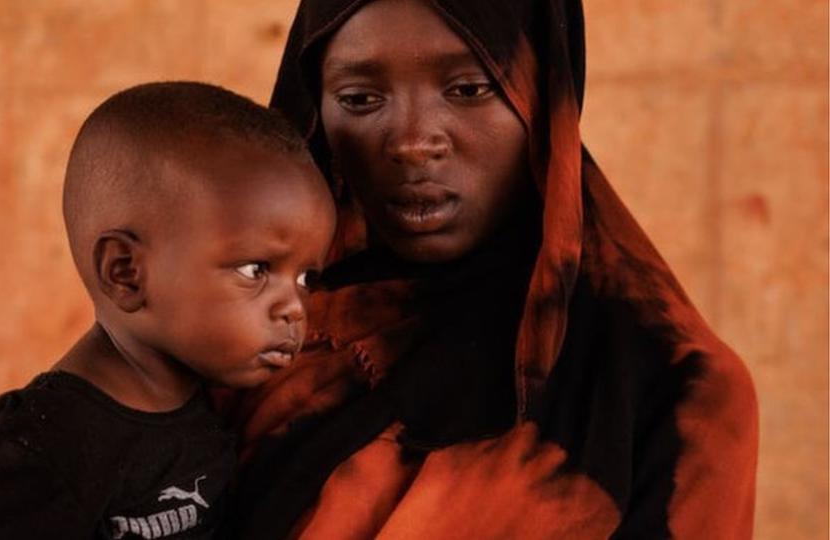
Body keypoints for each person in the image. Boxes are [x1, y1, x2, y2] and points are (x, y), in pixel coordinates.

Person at [226, 1, 758, 538]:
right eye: (360, 99)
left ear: (544, 97)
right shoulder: (244, 326)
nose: (412, 143)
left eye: (469, 89)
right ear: (313, 111)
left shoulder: (675, 388)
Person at [0, 82, 336, 539]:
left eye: (306, 279)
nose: (295, 308)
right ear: (126, 273)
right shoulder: (47, 447)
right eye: (255, 269)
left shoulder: (215, 403)